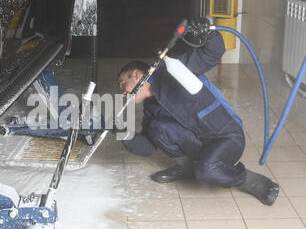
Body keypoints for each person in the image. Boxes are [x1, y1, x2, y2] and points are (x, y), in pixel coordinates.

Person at [117, 23, 279, 206]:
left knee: (206, 171)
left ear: (137, 76)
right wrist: (123, 132)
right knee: (157, 127)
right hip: (199, 143)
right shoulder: (151, 107)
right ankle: (186, 168)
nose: (123, 93)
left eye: (123, 85)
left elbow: (212, 53)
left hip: (226, 136)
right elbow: (148, 147)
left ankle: (251, 180)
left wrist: (206, 34)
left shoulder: (176, 69)